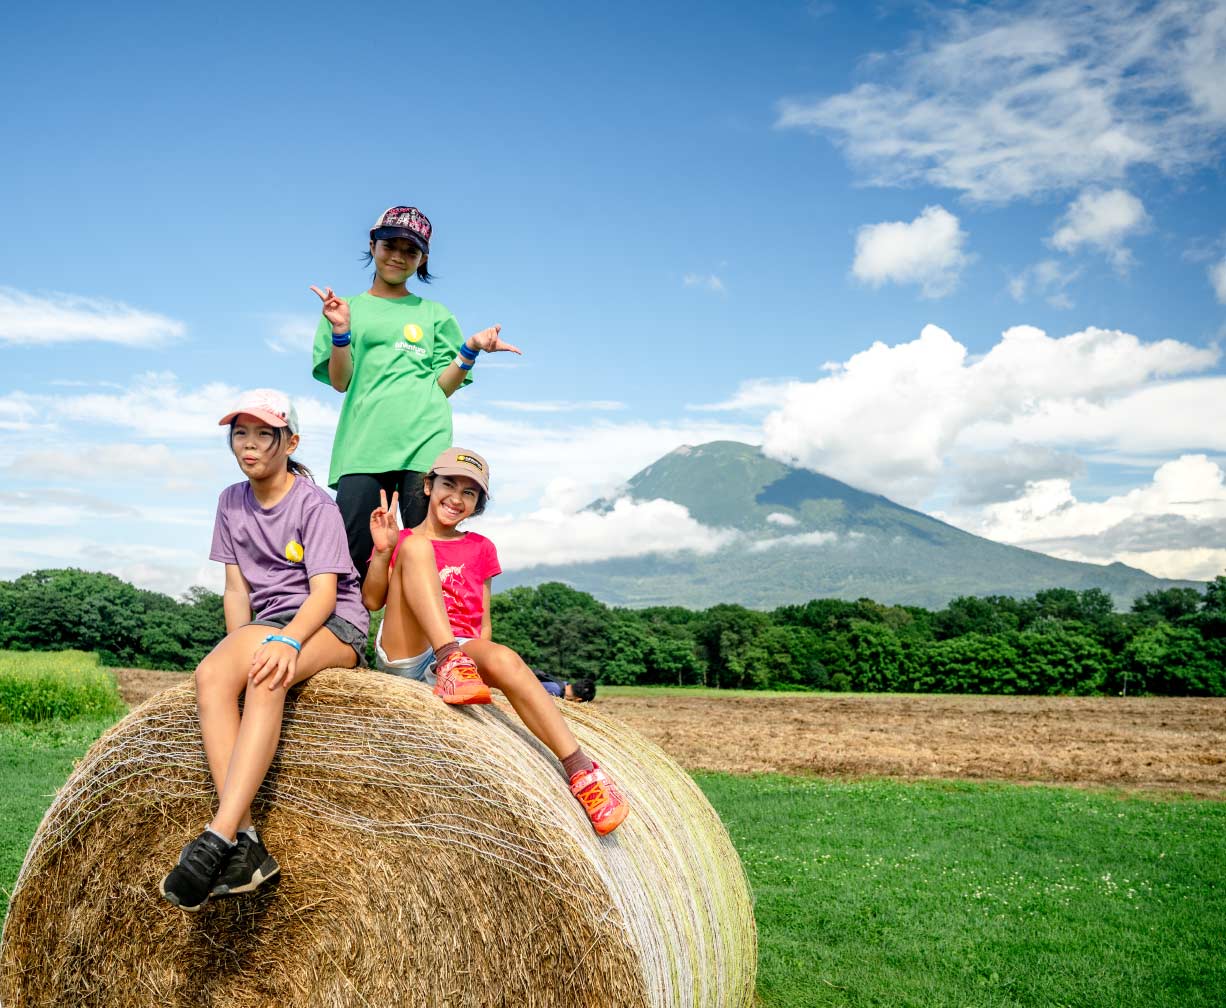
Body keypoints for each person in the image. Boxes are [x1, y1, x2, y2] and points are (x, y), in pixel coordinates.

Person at [159, 389, 370, 912]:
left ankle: (218, 835)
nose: (249, 445)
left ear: (290, 441)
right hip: (268, 621)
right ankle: (248, 843)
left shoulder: (314, 504)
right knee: (212, 677)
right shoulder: (230, 501)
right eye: (240, 434)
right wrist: (236, 646)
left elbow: (324, 593)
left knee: (267, 673)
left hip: (331, 621)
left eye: (263, 434)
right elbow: (237, 590)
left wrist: (287, 640)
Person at [362, 448, 629, 836]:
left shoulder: (481, 548)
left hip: (462, 652)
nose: (456, 498)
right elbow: (372, 601)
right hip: (410, 652)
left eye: (469, 493)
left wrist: (486, 674)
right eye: (449, 484)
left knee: (504, 657)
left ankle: (582, 772)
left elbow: (481, 623)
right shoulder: (400, 538)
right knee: (417, 547)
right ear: (427, 485)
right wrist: (385, 550)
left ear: (478, 504)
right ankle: (450, 659)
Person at [309, 205, 521, 583]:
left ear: (422, 259)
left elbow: (443, 386)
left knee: (427, 558)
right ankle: (345, 635)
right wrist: (341, 331)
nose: (398, 257)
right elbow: (341, 382)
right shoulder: (346, 309)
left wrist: (470, 349)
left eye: (411, 251)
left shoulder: (435, 314)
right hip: (364, 446)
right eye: (391, 245)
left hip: (424, 444)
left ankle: (426, 641)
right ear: (373, 245)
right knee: (350, 556)